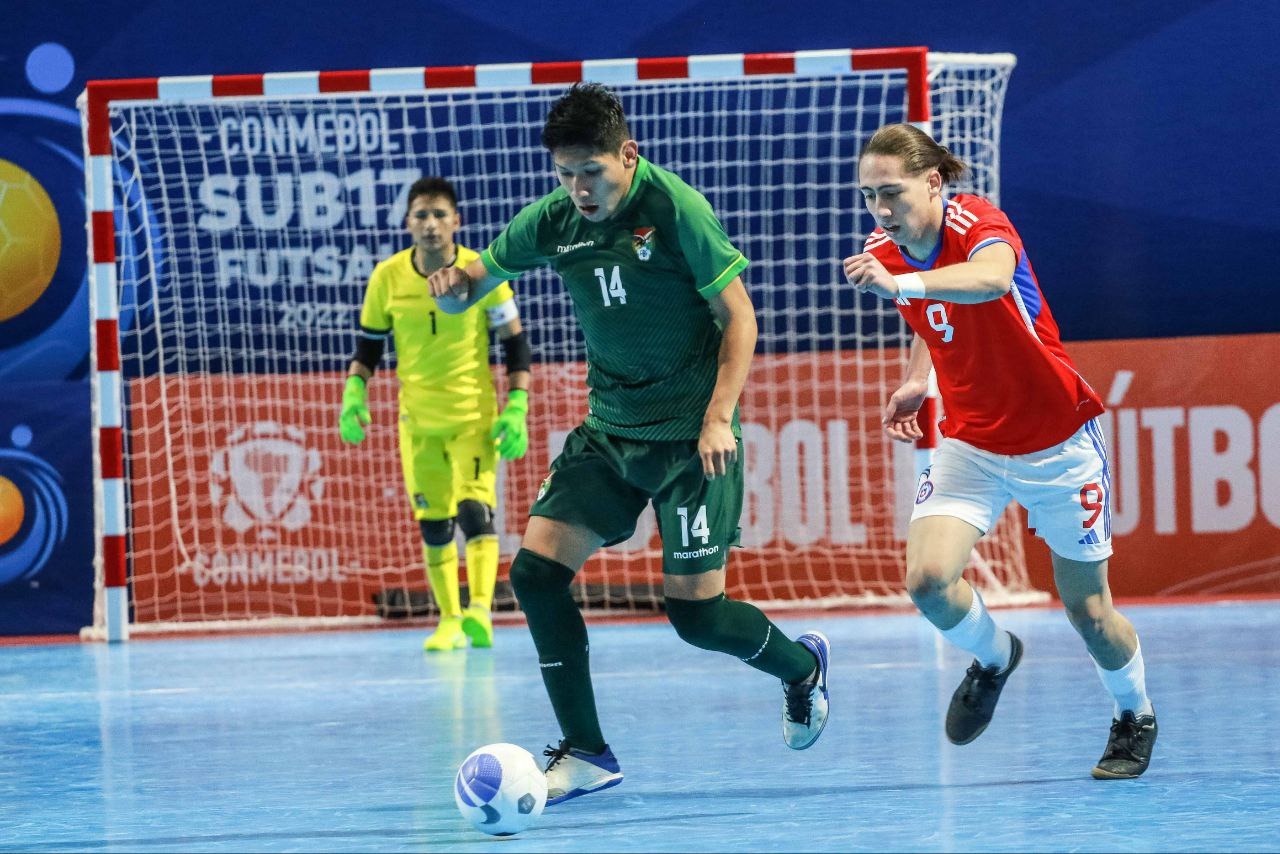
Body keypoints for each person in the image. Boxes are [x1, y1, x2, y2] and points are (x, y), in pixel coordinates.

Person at [427, 83, 831, 805]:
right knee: (536, 574)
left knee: (696, 617)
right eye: (565, 174)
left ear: (628, 154)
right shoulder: (554, 222)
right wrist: (452, 283)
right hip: (610, 431)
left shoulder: (674, 209)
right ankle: (586, 752)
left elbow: (738, 316)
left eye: (592, 171)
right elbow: (474, 282)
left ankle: (801, 669)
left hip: (690, 440)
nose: (579, 189)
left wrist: (718, 417)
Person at [843, 123, 1156, 779]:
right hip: (971, 442)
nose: (880, 208)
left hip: (1056, 442)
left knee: (1090, 613)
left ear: (932, 182)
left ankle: (1135, 716)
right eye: (869, 195)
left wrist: (901, 287)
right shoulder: (887, 248)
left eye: (891, 191)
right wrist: (918, 378)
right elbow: (937, 322)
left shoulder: (978, 220)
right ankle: (992, 656)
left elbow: (986, 282)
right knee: (927, 582)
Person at [339, 176, 531, 652]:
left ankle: (480, 613)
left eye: (439, 214)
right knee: (434, 523)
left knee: (475, 511)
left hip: (474, 418)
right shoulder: (387, 277)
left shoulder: (480, 270)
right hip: (418, 423)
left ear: (456, 221)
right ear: (408, 223)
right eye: (421, 214)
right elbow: (369, 345)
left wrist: (517, 406)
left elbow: (515, 343)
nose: (430, 224)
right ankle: (449, 621)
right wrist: (354, 392)